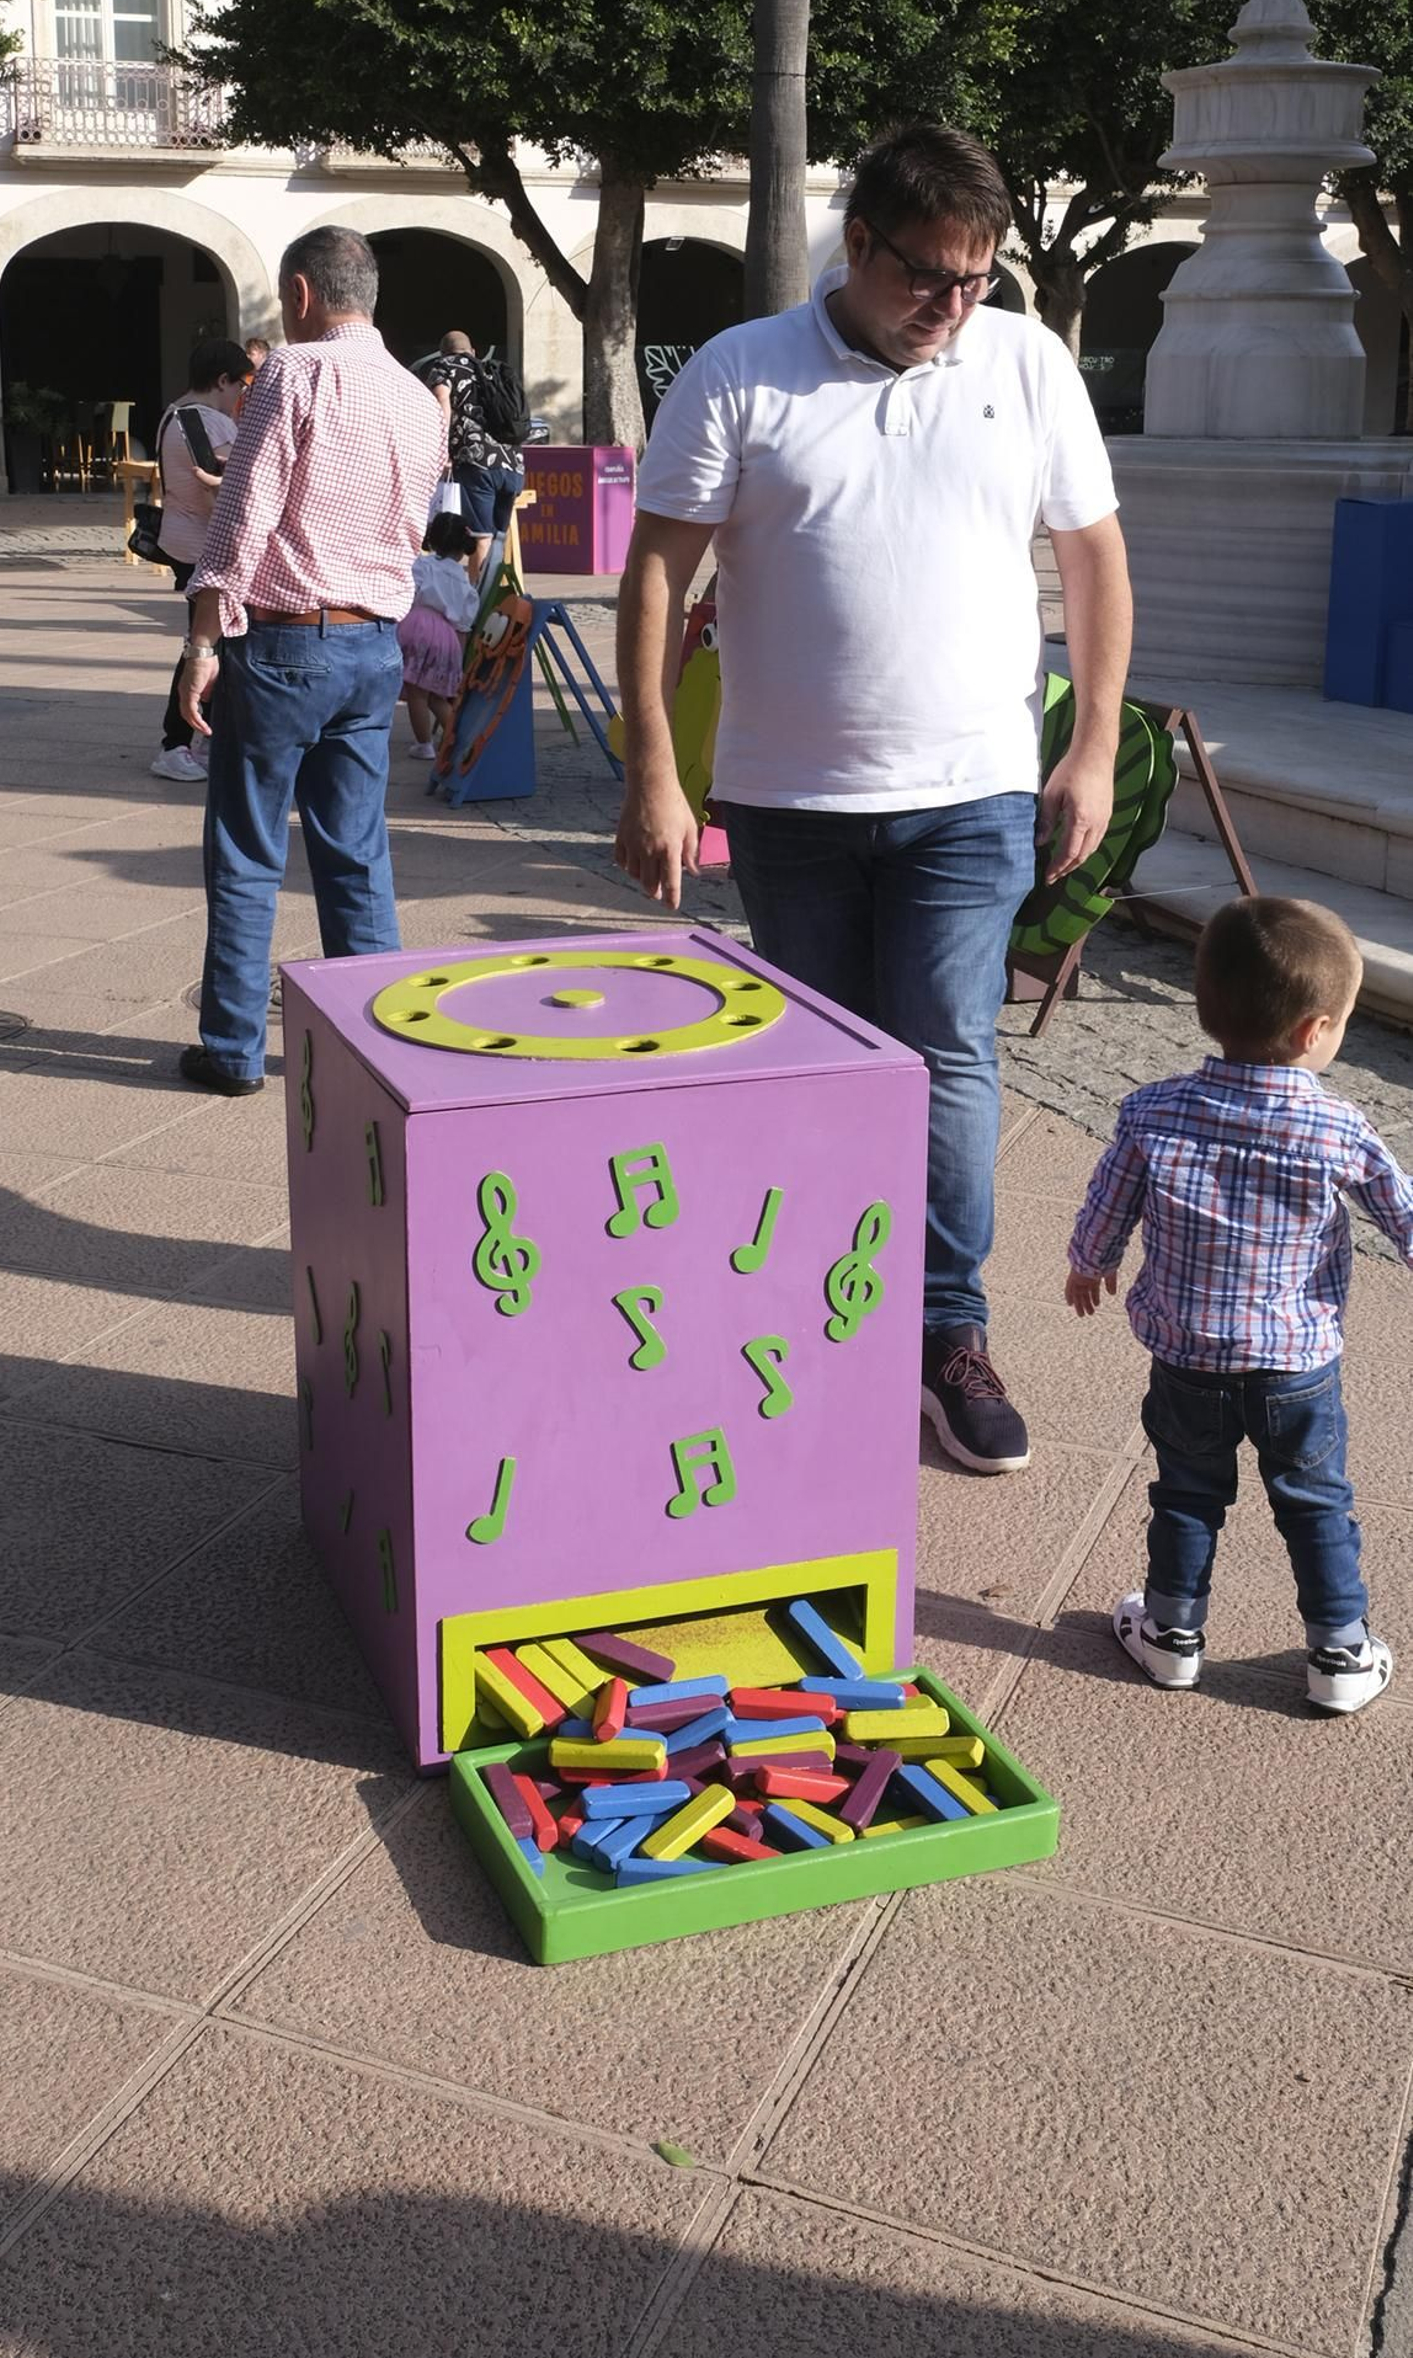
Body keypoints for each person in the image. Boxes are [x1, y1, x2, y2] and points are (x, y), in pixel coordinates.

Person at [614, 123, 1131, 1474]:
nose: (954, 306)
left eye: (977, 277)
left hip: (972, 793)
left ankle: (946, 1330)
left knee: (951, 1050)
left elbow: (1092, 561)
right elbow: (658, 576)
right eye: (928, 277)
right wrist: (656, 772)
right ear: (861, 247)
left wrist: (1091, 748)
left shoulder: (1023, 359)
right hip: (789, 799)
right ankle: (819, 1311)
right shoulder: (742, 371)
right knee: (819, 1060)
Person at [1066, 896, 1409, 1715]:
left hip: (1186, 1357)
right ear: (1312, 1031)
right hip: (1297, 1365)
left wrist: (1090, 1262)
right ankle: (1340, 1650)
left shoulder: (1153, 1110)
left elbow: (1109, 1203)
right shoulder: (1338, 1127)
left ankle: (1173, 1637)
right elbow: (1403, 1213)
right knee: (1316, 1501)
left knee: (1186, 1492)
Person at [176, 227, 444, 1096]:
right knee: (356, 851)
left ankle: (232, 1048)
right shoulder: (414, 394)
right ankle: (377, 1045)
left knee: (249, 848)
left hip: (287, 637)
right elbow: (413, 526)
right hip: (373, 643)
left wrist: (203, 640)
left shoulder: (293, 373)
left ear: (301, 294)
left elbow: (243, 514)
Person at [149, 340, 253, 783]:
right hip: (204, 546)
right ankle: (177, 743)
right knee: (203, 647)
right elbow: (223, 490)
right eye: (240, 385)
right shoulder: (205, 421)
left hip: (185, 540)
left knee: (206, 645)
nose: (241, 396)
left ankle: (194, 740)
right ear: (222, 380)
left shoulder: (174, 414)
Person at [423, 328, 522, 569]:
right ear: (473, 351)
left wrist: (441, 447)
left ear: (443, 352)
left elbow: (441, 399)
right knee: (499, 538)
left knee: (481, 537)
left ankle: (478, 602)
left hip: (477, 462)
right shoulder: (491, 370)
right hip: (512, 463)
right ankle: (495, 597)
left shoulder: (444, 367)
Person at [397, 511, 478, 758]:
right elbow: (463, 625)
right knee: (437, 694)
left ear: (431, 540)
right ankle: (457, 740)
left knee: (417, 692)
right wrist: (459, 662)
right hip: (447, 637)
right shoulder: (464, 583)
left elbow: (408, 595)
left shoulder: (422, 566)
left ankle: (424, 744)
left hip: (417, 626)